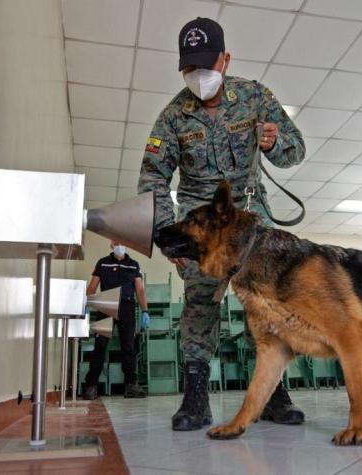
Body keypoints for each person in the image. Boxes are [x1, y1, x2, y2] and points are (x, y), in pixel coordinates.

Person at [138, 17, 306, 431]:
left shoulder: (255, 97)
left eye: (206, 66)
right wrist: (165, 233)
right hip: (198, 225)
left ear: (225, 59)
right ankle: (195, 397)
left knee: (265, 304)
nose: (198, 76)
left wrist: (273, 142)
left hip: (249, 217)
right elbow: (153, 176)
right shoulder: (174, 116)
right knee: (199, 305)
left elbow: (295, 151)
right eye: (189, 68)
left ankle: (273, 393)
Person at [82, 241, 150, 399]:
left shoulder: (133, 265)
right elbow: (93, 286)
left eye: (123, 243)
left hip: (127, 306)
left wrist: (145, 310)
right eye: (117, 243)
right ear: (111, 244)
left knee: (129, 346)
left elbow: (139, 289)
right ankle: (91, 386)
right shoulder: (103, 262)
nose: (120, 245)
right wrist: (85, 304)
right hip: (106, 304)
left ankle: (131, 385)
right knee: (100, 345)